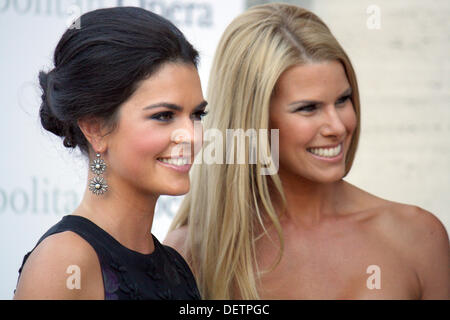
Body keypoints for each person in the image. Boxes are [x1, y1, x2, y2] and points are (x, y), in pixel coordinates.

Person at [165, 3, 450, 299]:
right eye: (309, 108)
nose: (337, 126)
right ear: (254, 120)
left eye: (343, 100)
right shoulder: (190, 255)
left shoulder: (416, 236)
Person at [14, 6, 206, 300]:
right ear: (96, 128)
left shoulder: (176, 267)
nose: (191, 136)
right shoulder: (66, 261)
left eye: (197, 115)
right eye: (165, 115)